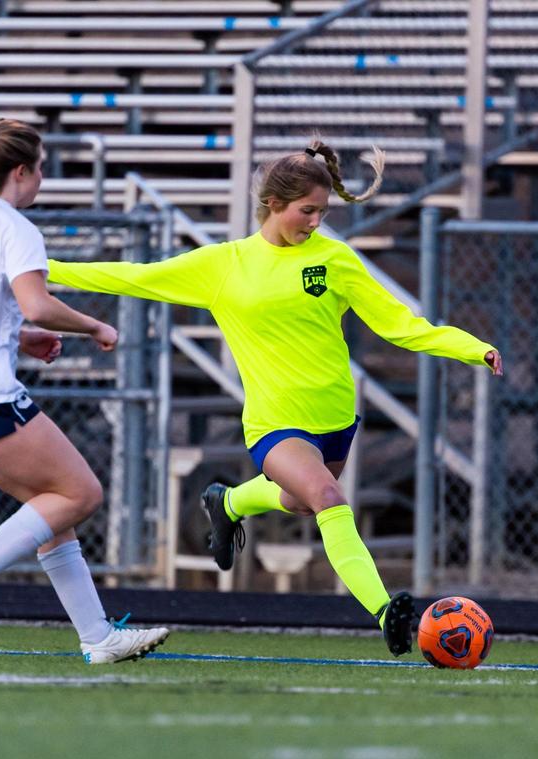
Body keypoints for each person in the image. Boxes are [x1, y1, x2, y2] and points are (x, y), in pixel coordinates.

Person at [47, 141, 503, 657]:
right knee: (328, 498)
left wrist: (470, 348)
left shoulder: (335, 259)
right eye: (307, 211)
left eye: (323, 212)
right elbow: (134, 277)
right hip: (274, 422)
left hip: (335, 417)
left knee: (301, 502)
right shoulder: (226, 264)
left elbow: (400, 325)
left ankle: (230, 502)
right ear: (273, 204)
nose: (315, 222)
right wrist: (45, 269)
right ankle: (385, 612)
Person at [0, 118, 169, 664]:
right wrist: (95, 326)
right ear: (20, 172)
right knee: (81, 494)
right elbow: (38, 302)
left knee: (49, 503)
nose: (43, 181)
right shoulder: (12, 225)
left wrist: (20, 336)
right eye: (42, 169)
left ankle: (97, 637)